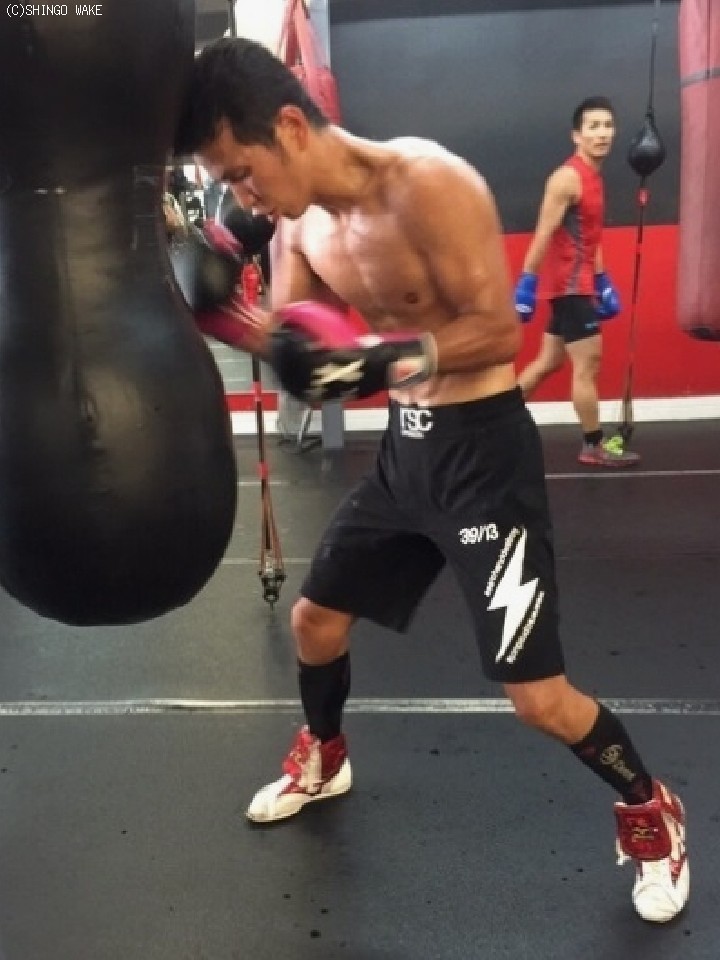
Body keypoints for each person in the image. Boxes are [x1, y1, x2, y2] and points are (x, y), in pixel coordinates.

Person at [175, 39, 688, 923]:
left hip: (484, 459)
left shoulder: (429, 185)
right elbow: (303, 336)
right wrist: (236, 316)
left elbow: (497, 333)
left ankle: (652, 810)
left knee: (538, 701)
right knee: (313, 622)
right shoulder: (298, 221)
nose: (242, 198)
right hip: (404, 458)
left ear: (290, 126)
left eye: (243, 174)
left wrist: (378, 358)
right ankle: (325, 755)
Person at [515, 97, 640, 467]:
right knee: (588, 366)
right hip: (569, 288)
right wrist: (526, 282)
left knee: (547, 362)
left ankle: (488, 423)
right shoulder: (567, 178)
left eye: (608, 126)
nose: (602, 133)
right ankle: (593, 445)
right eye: (593, 126)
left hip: (580, 284)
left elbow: (589, 237)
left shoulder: (594, 178)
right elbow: (543, 233)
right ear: (577, 135)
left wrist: (603, 280)